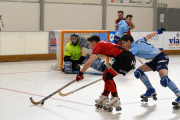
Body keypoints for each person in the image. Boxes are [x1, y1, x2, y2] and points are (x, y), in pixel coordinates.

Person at [120, 27, 180, 108]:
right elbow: (148, 36)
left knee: (164, 80)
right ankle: (151, 90)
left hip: (161, 57)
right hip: (155, 60)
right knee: (138, 72)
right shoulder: (139, 40)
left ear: (128, 41)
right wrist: (158, 32)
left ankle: (179, 95)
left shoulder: (134, 48)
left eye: (123, 43)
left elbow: (126, 57)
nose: (123, 45)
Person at [75, 35, 136, 111]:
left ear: (94, 42)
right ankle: (105, 96)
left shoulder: (98, 45)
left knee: (108, 76)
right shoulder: (102, 43)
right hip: (128, 59)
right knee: (106, 75)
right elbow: (117, 50)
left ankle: (115, 98)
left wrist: (80, 73)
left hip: (125, 59)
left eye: (90, 44)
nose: (90, 47)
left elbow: (89, 62)